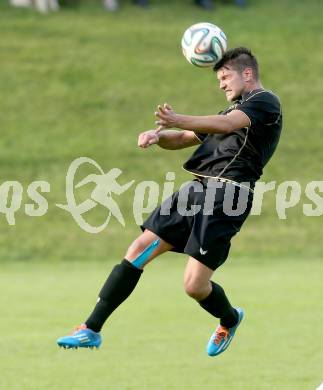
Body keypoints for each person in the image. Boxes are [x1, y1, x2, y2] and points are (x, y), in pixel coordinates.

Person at [57, 47, 282, 356]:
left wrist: (176, 118)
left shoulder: (265, 103)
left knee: (194, 286)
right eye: (219, 79)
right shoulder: (227, 113)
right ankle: (90, 329)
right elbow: (185, 138)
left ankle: (229, 319)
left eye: (226, 76)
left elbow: (228, 125)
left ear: (247, 73)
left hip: (228, 197)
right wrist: (158, 136)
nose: (221, 84)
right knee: (138, 249)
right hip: (197, 191)